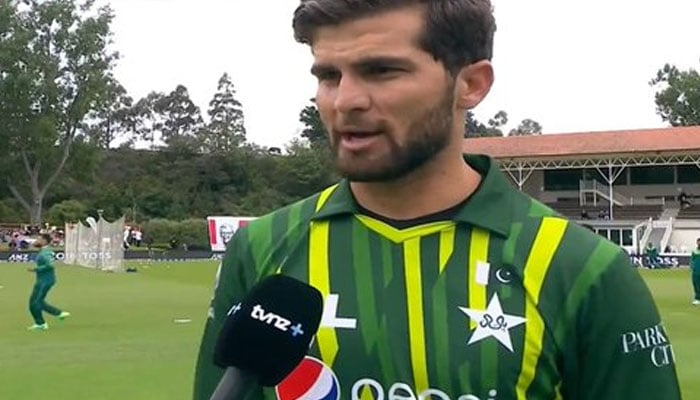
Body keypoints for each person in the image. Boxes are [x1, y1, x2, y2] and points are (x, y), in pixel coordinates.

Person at [193, 1, 681, 399]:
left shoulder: (583, 269)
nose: (344, 101)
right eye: (328, 76)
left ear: (471, 84)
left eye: (381, 70)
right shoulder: (261, 249)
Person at [27, 233, 70, 331]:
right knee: (34, 302)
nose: (36, 241)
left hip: (45, 280)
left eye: (38, 239)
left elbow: (50, 265)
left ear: (44, 241)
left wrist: (36, 269)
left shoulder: (45, 252)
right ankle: (57, 314)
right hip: (42, 280)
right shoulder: (44, 251)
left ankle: (42, 323)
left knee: (36, 303)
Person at [690, 238, 700, 305]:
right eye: (698, 242)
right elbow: (692, 260)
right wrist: (692, 267)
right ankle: (697, 298)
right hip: (695, 271)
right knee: (696, 285)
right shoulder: (694, 251)